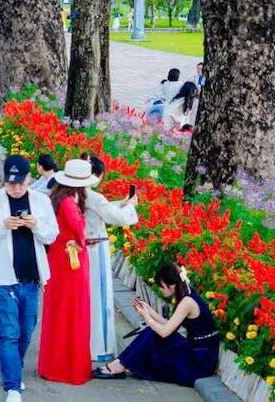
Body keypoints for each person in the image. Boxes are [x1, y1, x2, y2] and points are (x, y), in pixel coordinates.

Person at [0, 155, 59, 402]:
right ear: (4, 181)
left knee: (26, 329)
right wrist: (3, 226)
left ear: (29, 178)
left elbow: (52, 236)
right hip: (3, 278)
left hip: (32, 278)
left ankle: (14, 367)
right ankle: (12, 385)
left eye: (20, 182)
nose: (16, 187)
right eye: (11, 183)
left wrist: (35, 225)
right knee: (9, 331)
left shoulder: (41, 201)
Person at [93, 263, 219, 386]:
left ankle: (119, 365)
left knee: (152, 332)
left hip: (200, 360)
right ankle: (120, 364)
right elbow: (170, 326)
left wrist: (147, 317)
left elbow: (165, 332)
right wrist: (149, 311)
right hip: (198, 351)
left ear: (172, 285)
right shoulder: (187, 294)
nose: (160, 289)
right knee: (152, 332)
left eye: (161, 286)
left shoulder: (187, 302)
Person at [37, 159, 97, 385]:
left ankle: (53, 364)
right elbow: (78, 230)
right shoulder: (70, 203)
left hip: (59, 258)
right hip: (71, 262)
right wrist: (83, 239)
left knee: (58, 312)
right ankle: (68, 368)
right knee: (73, 312)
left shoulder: (58, 198)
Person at [85, 156, 139, 362]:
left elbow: (101, 210)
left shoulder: (75, 193)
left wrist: (121, 203)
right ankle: (99, 348)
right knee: (99, 298)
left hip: (82, 248)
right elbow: (116, 218)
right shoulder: (94, 196)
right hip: (95, 248)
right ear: (99, 176)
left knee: (86, 297)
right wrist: (131, 206)